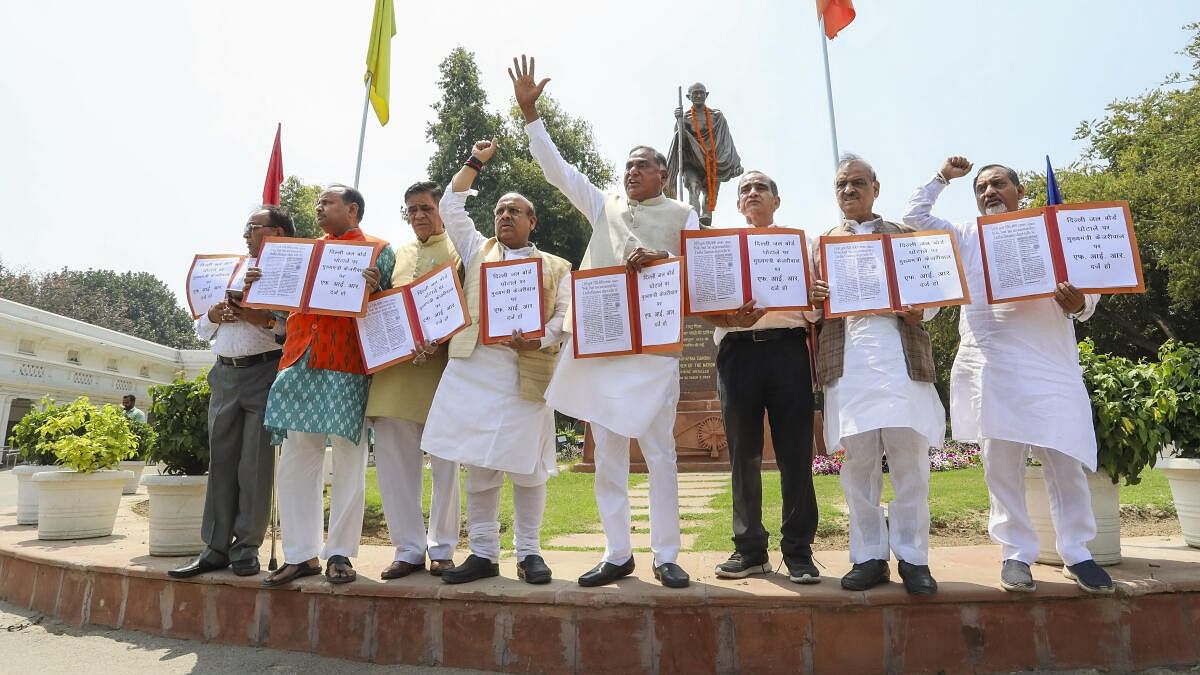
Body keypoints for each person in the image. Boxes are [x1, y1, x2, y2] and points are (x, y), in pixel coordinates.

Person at [512, 55, 699, 589]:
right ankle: (618, 552)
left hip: (652, 351)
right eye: (627, 165)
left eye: (642, 164)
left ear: (663, 173)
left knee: (660, 452)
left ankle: (666, 555)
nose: (631, 171)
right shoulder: (605, 206)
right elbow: (558, 171)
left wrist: (661, 262)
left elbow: (701, 274)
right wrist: (531, 115)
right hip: (600, 342)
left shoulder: (685, 217)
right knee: (608, 454)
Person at [903, 156, 1114, 595]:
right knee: (1000, 464)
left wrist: (1078, 303)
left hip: (1049, 363)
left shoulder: (1050, 230)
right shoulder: (964, 235)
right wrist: (943, 177)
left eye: (998, 184)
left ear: (1020, 192)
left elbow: (1086, 294)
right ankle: (1016, 553)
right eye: (981, 188)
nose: (988, 192)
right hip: (990, 364)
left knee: (1064, 459)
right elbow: (913, 217)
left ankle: (1077, 552)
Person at [422, 139, 571, 586]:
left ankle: (529, 553)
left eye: (514, 211)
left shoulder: (557, 266)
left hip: (526, 371)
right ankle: (484, 553)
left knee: (527, 469)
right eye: (499, 211)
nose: (504, 217)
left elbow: (565, 318)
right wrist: (474, 162)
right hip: (475, 368)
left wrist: (538, 339)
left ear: (532, 221)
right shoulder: (476, 251)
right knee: (480, 465)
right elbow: (450, 207)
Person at [809, 155, 945, 595]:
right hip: (848, 363)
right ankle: (868, 557)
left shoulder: (905, 236)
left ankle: (913, 558)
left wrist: (921, 309)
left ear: (876, 188)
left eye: (857, 183)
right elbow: (809, 310)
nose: (849, 191)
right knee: (860, 465)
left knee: (910, 462)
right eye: (841, 185)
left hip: (902, 358)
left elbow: (933, 296)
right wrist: (815, 297)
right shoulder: (821, 244)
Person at [256, 184, 396, 587]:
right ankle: (300, 555)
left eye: (327, 202)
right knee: (298, 457)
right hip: (300, 358)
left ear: (353, 210)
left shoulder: (378, 250)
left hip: (348, 361)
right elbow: (282, 306)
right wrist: (261, 282)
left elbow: (390, 309)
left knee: (350, 459)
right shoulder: (303, 250)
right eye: (318, 202)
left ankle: (339, 553)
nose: (318, 208)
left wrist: (377, 287)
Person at [704, 171, 821, 584]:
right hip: (737, 351)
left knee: (795, 454)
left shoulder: (801, 245)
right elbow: (702, 301)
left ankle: (799, 552)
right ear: (738, 205)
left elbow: (816, 310)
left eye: (761, 188)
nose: (752, 194)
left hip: (788, 348)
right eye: (745, 190)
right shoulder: (719, 247)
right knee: (743, 456)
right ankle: (750, 549)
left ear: (777, 199)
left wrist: (816, 300)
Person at [170, 206, 292, 579]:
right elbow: (201, 328)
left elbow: (291, 328)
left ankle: (246, 548)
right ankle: (215, 546)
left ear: (279, 233)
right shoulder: (230, 268)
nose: (246, 234)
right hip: (224, 374)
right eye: (246, 227)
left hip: (264, 371)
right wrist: (214, 315)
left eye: (254, 227)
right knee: (221, 461)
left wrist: (260, 310)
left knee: (254, 462)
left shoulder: (290, 271)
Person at [365, 181, 463, 580]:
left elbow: (469, 307)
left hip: (445, 374)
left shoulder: (463, 249)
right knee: (394, 467)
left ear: (441, 209)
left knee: (446, 466)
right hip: (393, 376)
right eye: (411, 209)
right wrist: (369, 287)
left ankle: (442, 549)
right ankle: (407, 549)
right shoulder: (394, 255)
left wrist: (440, 345)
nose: (418, 216)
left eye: (425, 207)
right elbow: (379, 310)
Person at [665, 82, 744, 223]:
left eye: (701, 92)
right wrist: (679, 121)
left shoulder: (717, 116)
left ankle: (706, 219)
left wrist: (735, 163)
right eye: (695, 93)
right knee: (693, 186)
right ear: (689, 97)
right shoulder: (686, 116)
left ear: (706, 95)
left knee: (709, 193)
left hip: (713, 160)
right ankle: (693, 218)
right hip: (692, 160)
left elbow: (727, 140)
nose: (698, 95)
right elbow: (680, 139)